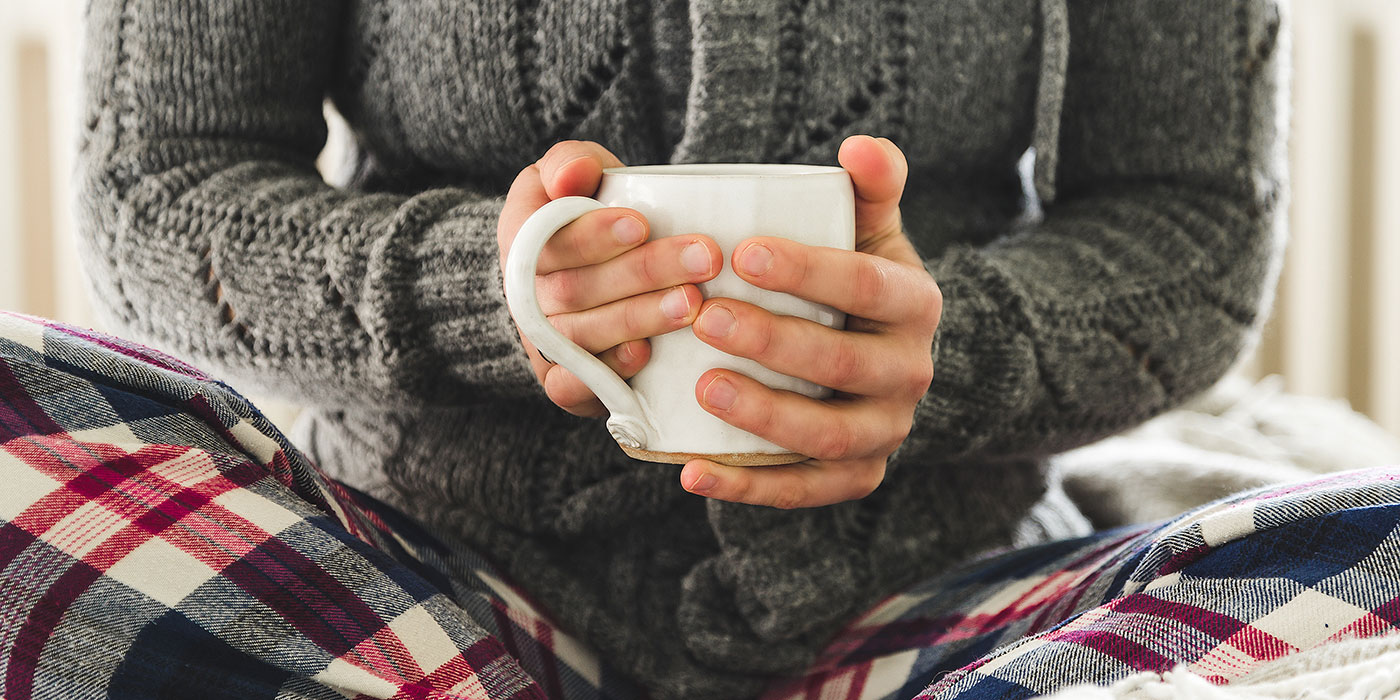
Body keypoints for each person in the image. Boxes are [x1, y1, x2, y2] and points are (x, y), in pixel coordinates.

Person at [6, 0, 1399, 698]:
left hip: (941, 608)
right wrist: (487, 293)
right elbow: (159, 186)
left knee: (1377, 554)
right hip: (422, 588)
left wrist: (942, 351)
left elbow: (1193, 218)